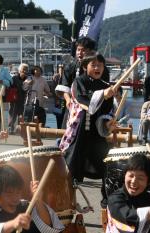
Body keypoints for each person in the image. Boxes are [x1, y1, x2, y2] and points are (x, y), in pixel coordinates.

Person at [59, 53, 117, 208]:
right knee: (71, 170)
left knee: (108, 168)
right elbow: (83, 101)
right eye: (94, 65)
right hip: (79, 133)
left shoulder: (106, 85)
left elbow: (106, 111)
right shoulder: (79, 82)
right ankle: (68, 204)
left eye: (100, 65)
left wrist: (108, 123)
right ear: (85, 66)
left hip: (96, 134)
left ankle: (108, 205)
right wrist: (102, 95)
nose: (97, 68)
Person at [0, 165, 65, 233]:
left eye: (18, 192)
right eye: (9, 193)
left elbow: (48, 229)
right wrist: (12, 224)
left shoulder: (26, 208)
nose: (15, 197)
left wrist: (38, 200)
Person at [55, 37, 97, 129]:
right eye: (78, 50)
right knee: (68, 133)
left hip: (91, 106)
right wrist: (68, 100)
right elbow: (64, 87)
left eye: (83, 50)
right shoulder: (70, 66)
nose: (80, 53)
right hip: (73, 105)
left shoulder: (97, 67)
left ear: (91, 51)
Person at [106, 153, 150, 233]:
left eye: (140, 178)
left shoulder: (147, 197)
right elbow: (127, 217)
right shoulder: (115, 199)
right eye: (131, 175)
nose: (134, 181)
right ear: (124, 175)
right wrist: (147, 214)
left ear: (148, 182)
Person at [8, 63, 28, 135]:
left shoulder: (28, 79)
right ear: (19, 70)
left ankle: (20, 129)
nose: (25, 71)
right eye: (23, 69)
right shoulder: (14, 78)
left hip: (23, 100)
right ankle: (11, 128)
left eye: (26, 69)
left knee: (21, 115)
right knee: (12, 114)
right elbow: (10, 87)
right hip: (14, 99)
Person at [51, 64, 66, 129]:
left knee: (65, 116)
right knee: (58, 115)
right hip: (58, 100)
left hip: (65, 99)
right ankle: (58, 129)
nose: (61, 69)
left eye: (62, 67)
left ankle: (63, 130)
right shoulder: (56, 77)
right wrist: (56, 98)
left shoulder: (67, 76)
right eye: (60, 67)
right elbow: (53, 88)